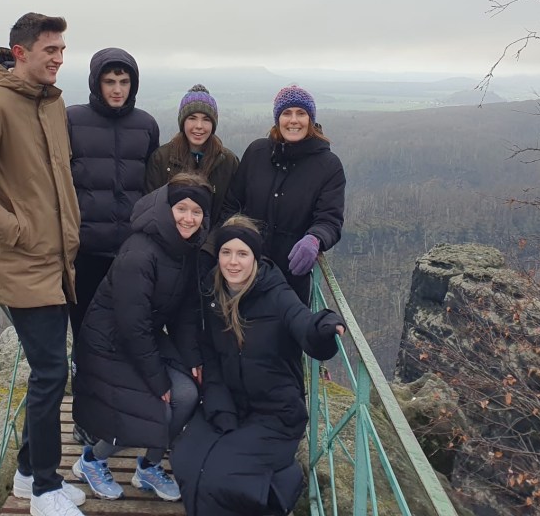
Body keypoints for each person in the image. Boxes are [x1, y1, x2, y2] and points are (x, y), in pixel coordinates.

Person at [0, 12, 86, 516]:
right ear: (20, 52)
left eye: (63, 50)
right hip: (24, 264)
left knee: (52, 369)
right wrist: (18, 230)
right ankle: (46, 490)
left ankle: (28, 476)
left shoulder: (50, 102)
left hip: (59, 261)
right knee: (50, 372)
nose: (60, 58)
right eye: (51, 50)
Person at [172, 215, 346, 516]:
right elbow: (211, 356)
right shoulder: (214, 294)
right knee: (186, 461)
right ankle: (276, 483)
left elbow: (303, 322)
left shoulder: (277, 294)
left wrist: (325, 324)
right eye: (226, 252)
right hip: (229, 401)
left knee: (220, 477)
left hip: (276, 412)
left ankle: (281, 490)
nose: (232, 262)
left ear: (256, 257)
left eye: (242, 253)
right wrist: (219, 405)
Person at [71, 173, 211, 502]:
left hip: (141, 339)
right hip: (106, 343)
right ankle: (91, 460)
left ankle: (148, 466)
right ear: (166, 208)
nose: (189, 218)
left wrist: (192, 360)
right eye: (182, 208)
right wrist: (157, 379)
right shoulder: (140, 252)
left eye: (197, 211)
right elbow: (130, 323)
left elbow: (186, 314)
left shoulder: (187, 250)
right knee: (150, 407)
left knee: (188, 394)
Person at [66, 48, 159, 375]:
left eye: (124, 81)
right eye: (109, 81)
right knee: (85, 336)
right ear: (96, 83)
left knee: (129, 334)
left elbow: (153, 188)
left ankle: (126, 418)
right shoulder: (72, 120)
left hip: (130, 253)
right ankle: (84, 417)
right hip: (85, 251)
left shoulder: (146, 125)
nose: (117, 89)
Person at [222, 85, 345, 304]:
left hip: (290, 279)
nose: (293, 120)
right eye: (286, 113)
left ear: (311, 119)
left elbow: (329, 219)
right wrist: (232, 245)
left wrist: (315, 238)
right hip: (245, 272)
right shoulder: (257, 152)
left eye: (301, 113)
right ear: (278, 118)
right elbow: (232, 204)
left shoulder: (328, 166)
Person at [146, 84, 238, 225]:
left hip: (213, 244)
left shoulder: (228, 161)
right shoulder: (162, 158)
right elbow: (152, 208)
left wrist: (209, 245)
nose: (199, 126)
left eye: (206, 119)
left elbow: (230, 211)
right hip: (169, 241)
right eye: (192, 118)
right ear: (182, 122)